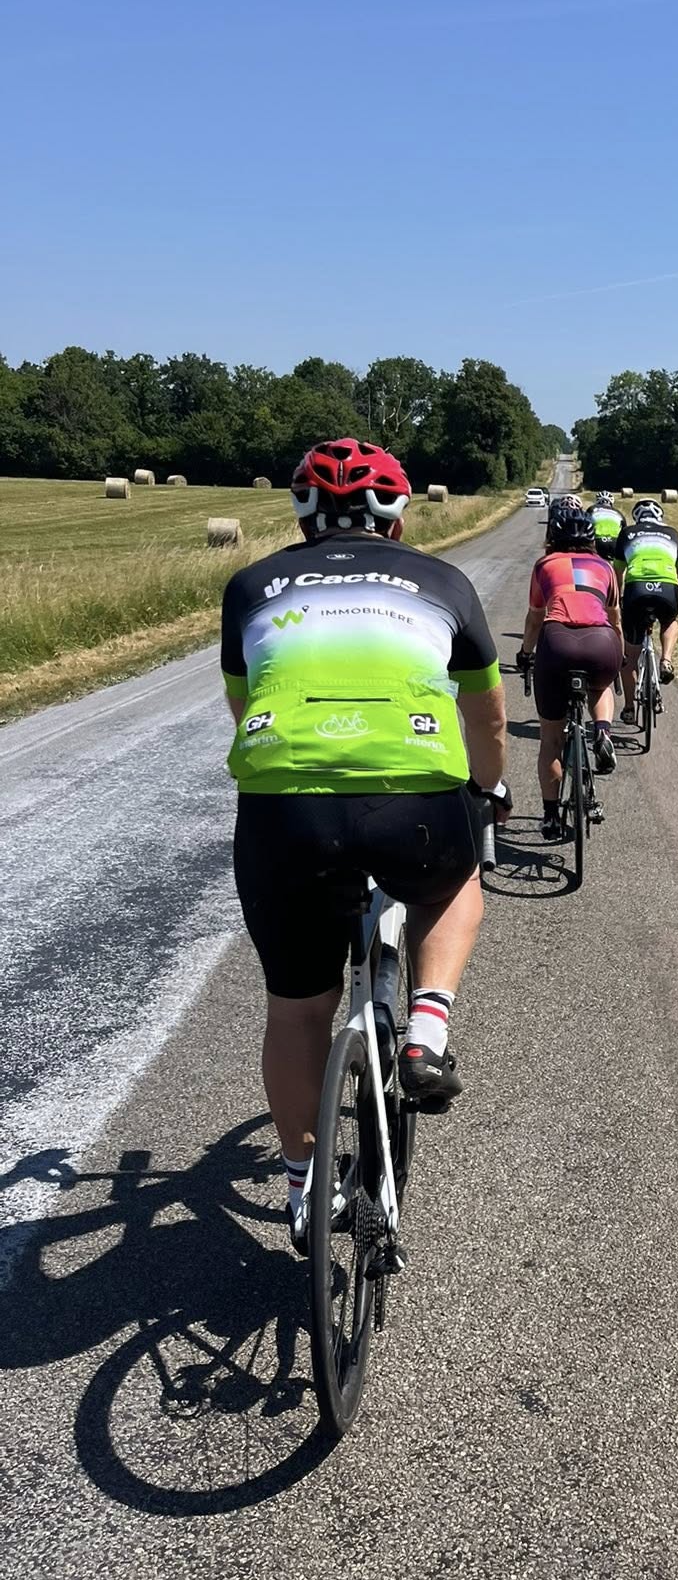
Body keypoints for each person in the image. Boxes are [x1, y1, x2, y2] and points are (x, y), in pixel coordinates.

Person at [220, 437, 510, 1251]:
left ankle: (302, 1187)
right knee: (454, 885)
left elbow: (245, 704)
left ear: (302, 518)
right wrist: (487, 791)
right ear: (399, 515)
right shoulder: (443, 580)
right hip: (411, 797)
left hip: (286, 806)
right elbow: (488, 718)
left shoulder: (250, 585)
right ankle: (427, 1028)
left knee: (296, 1009)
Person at [516, 501, 624, 840]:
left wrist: (525, 653)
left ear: (552, 537)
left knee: (551, 740)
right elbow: (615, 619)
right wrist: (619, 657)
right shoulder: (605, 567)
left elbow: (535, 618)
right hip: (601, 641)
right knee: (600, 686)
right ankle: (603, 732)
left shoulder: (545, 565)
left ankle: (551, 818)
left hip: (557, 641)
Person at [617, 498, 678, 720]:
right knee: (670, 620)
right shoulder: (672, 533)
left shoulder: (627, 533)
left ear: (636, 517)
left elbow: (618, 573)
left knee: (630, 659)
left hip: (636, 590)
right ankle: (666, 660)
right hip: (667, 588)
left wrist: (617, 600)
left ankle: (629, 708)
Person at [589, 492, 624, 569]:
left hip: (598, 541)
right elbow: (624, 532)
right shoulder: (618, 512)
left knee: (596, 565)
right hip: (615, 542)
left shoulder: (592, 509)